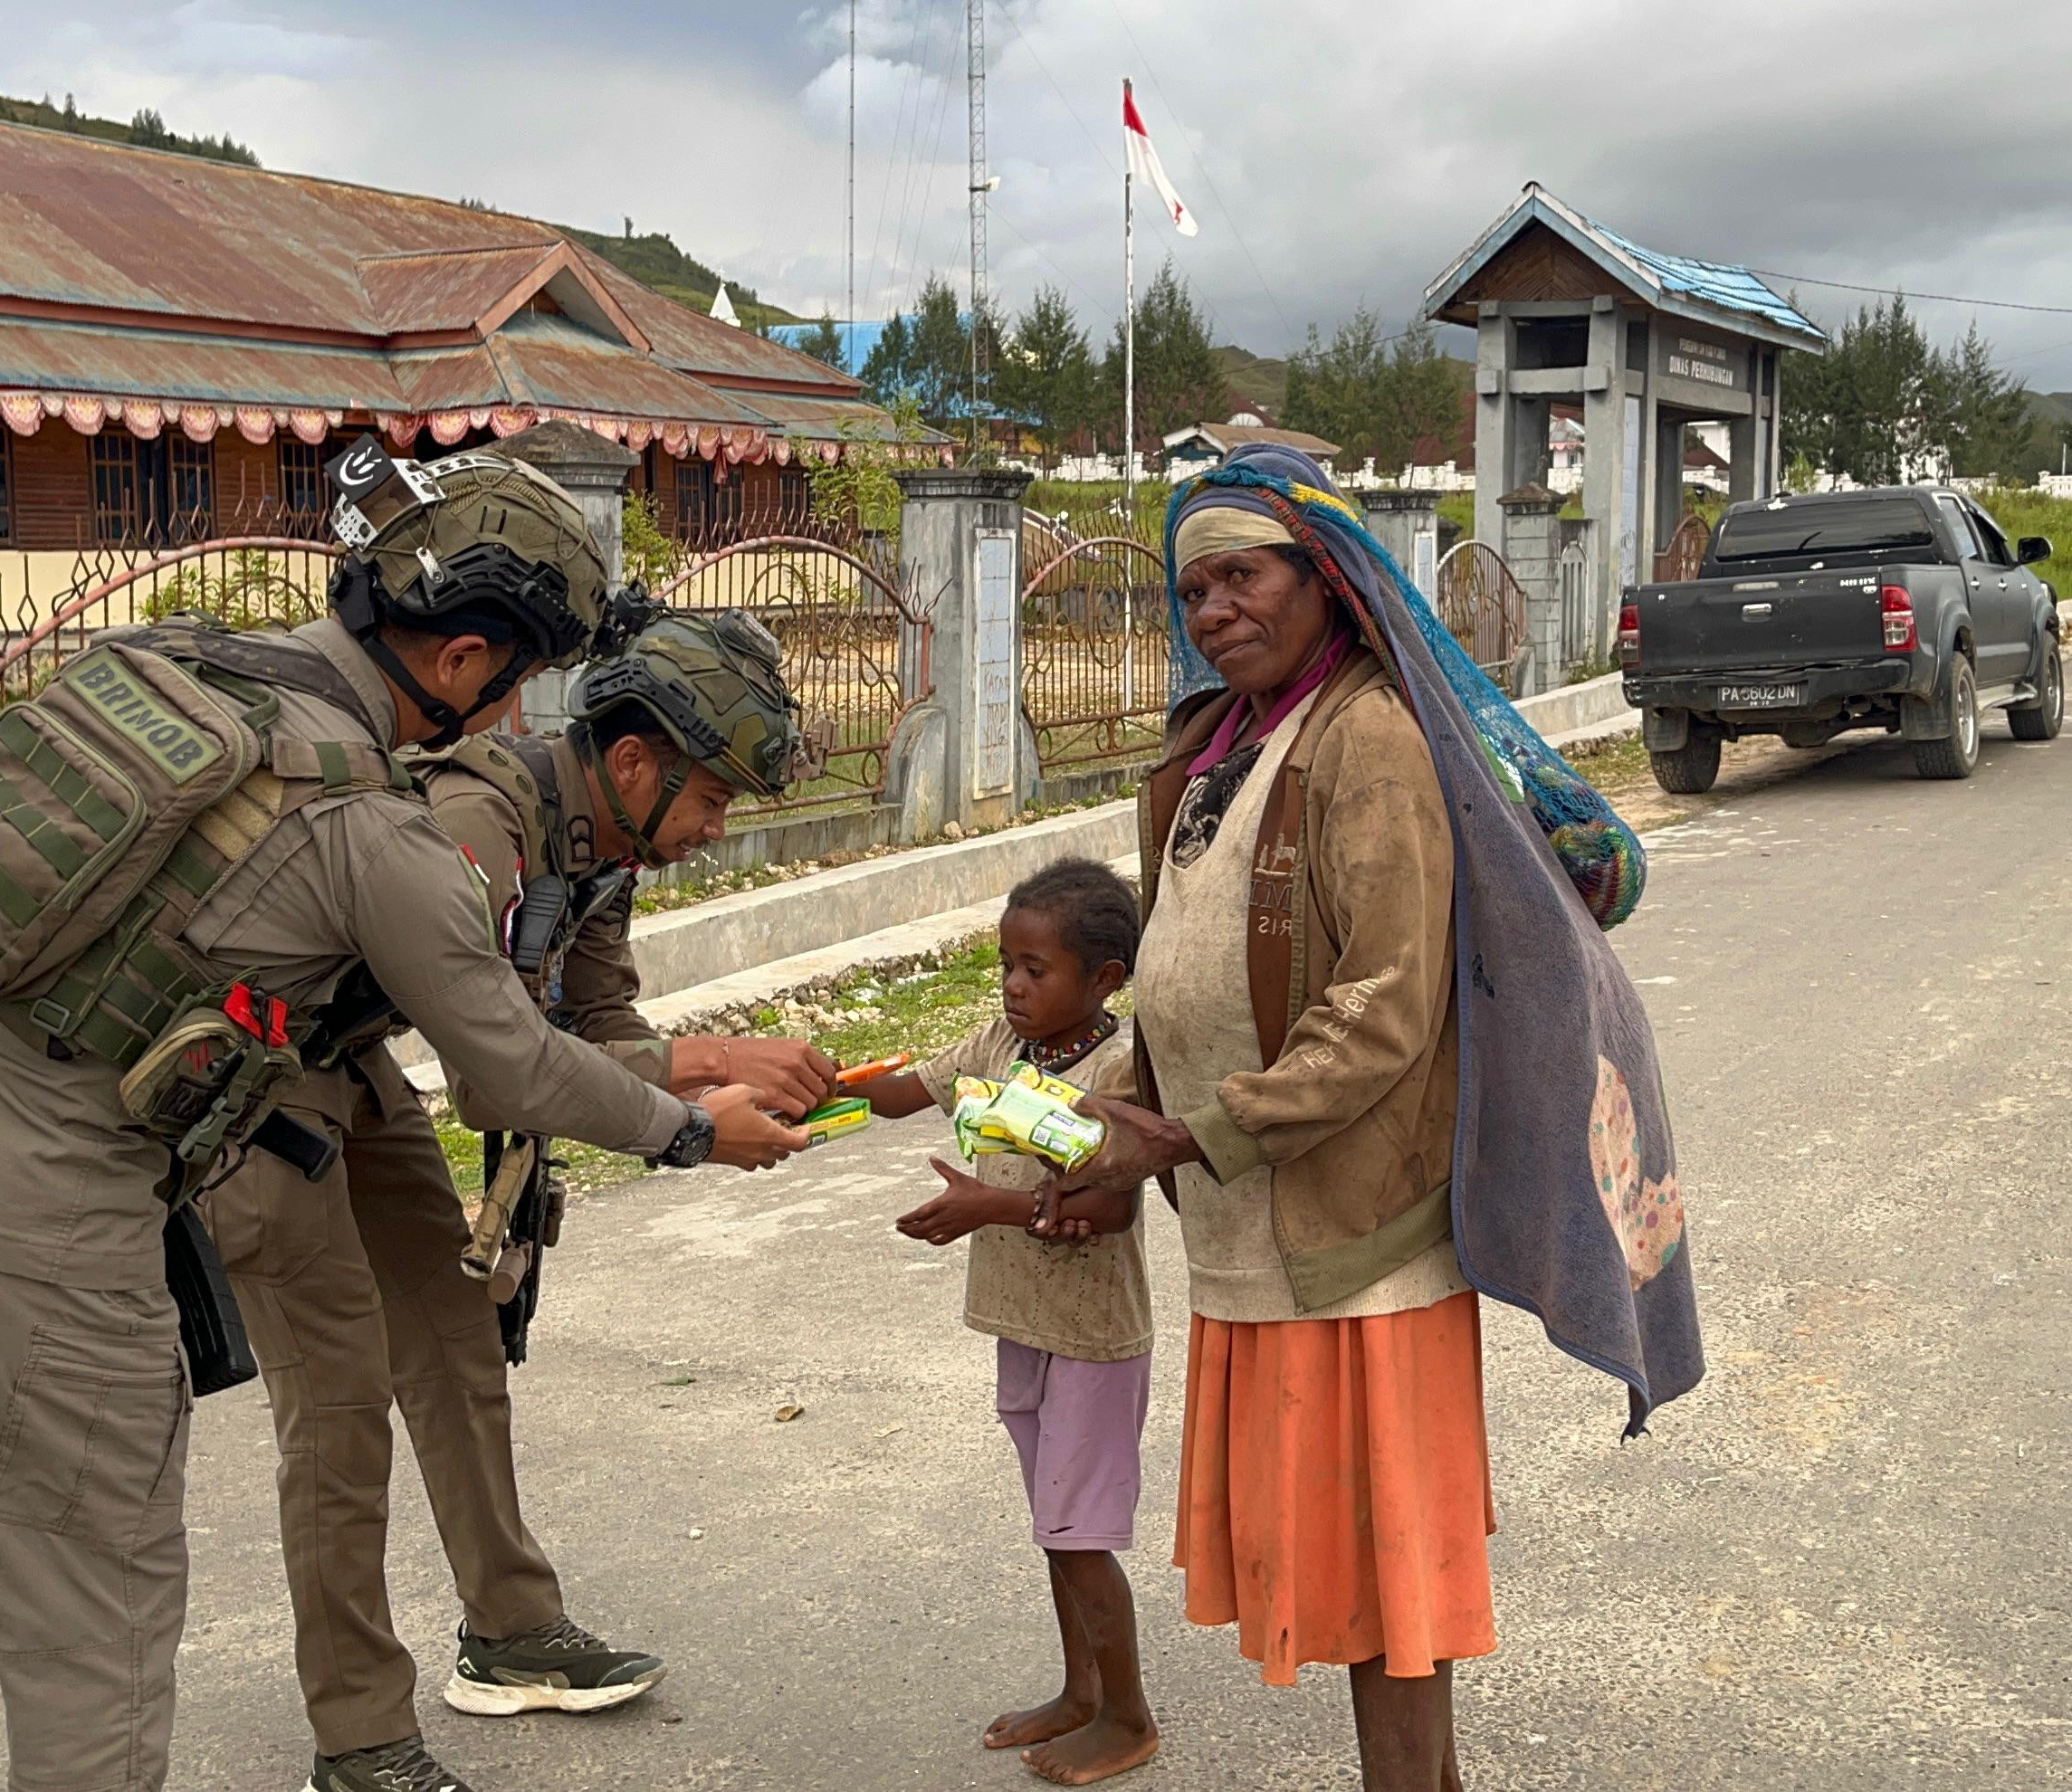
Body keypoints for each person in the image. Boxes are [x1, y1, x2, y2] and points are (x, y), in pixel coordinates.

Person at [0, 448, 808, 1792]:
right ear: (461, 662)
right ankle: (376, 1730)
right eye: (516, 679)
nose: (509, 716)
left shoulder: (180, 662)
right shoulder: (379, 831)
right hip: (36, 1219)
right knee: (91, 1640)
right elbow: (508, 1068)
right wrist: (688, 1131)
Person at [1035, 443, 1700, 1792]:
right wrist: (1110, 1134)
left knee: (1389, 1584)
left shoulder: (1369, 741)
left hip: (1354, 1244)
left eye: (1245, 575)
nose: (1217, 609)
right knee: (1340, 1575)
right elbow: (1178, 981)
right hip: (1252, 1228)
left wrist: (1195, 1134)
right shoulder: (1216, 751)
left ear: (1325, 580)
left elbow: (1383, 1009)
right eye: (1196, 588)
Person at [201, 602, 837, 1792]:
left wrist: (703, 1062)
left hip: (347, 1063)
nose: (713, 828)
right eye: (714, 799)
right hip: (251, 1079)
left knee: (455, 1347)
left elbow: (599, 1025)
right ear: (637, 762)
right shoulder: (475, 821)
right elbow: (495, 1052)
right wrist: (704, 1096)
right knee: (337, 1411)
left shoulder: (600, 849)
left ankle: (508, 1632)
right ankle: (361, 1742)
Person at [867, 858, 1157, 1787]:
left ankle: (1128, 1716)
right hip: (1021, 1323)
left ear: (1105, 979)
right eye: (1006, 964)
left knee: (1079, 1535)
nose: (1014, 986)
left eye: (1037, 970)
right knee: (1053, 1527)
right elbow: (910, 1087)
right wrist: (810, 1090)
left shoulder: (1120, 1068)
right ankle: (1079, 1692)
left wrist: (983, 1210)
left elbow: (1106, 1208)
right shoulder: (1003, 1043)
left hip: (1092, 1337)